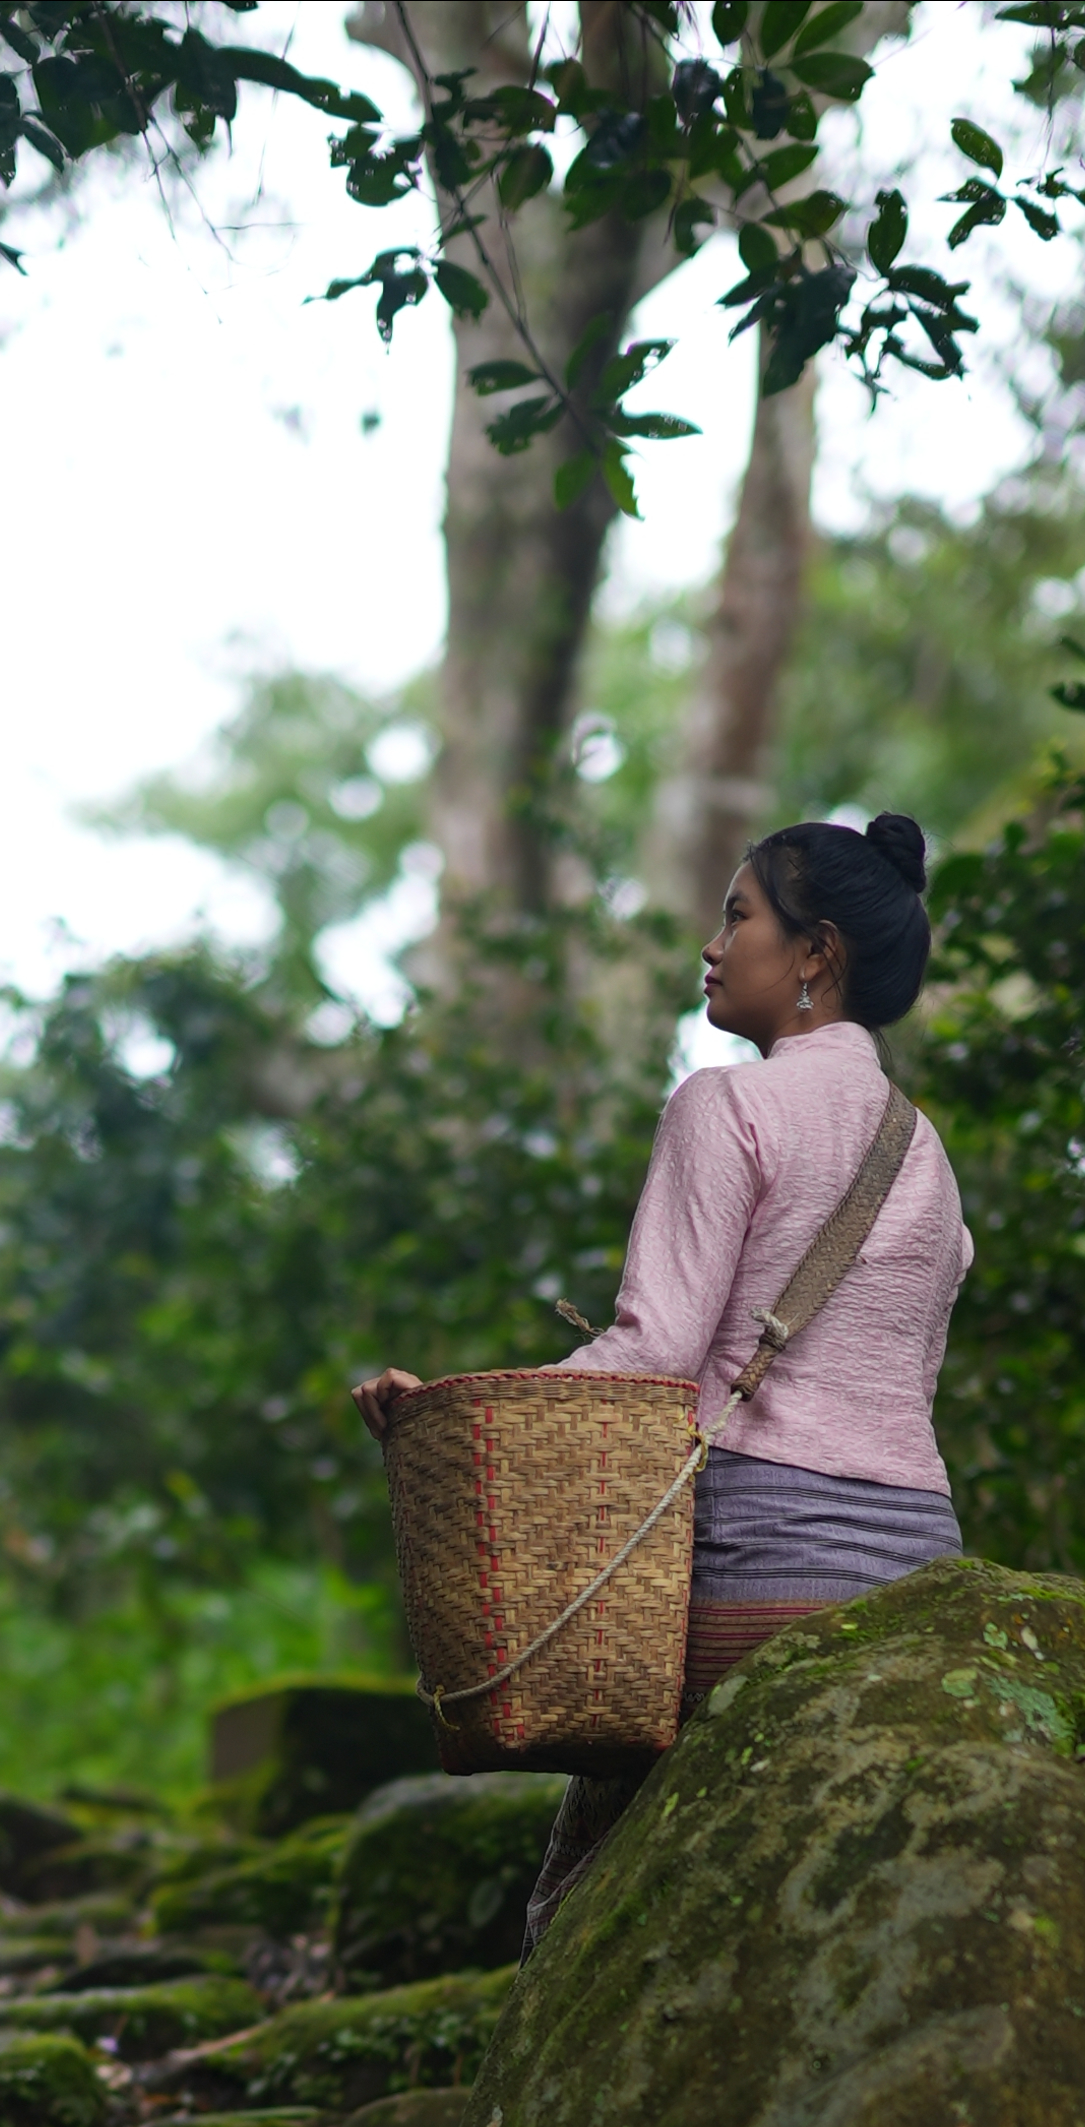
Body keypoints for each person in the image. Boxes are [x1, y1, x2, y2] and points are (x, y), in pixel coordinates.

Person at [351, 811, 970, 1947]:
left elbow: (654, 1354)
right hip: (923, 1570)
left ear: (816, 956)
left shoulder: (725, 1105)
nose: (713, 943)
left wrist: (444, 1412)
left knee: (578, 1905)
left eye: (739, 916)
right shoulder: (926, 1153)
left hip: (758, 1578)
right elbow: (906, 1382)